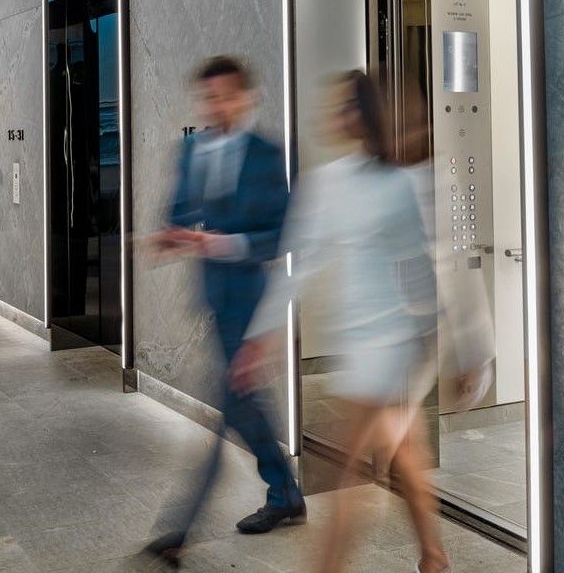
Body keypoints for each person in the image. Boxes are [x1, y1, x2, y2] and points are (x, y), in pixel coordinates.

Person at [232, 70, 449, 573]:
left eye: (345, 106)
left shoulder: (395, 183)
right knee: (403, 452)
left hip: (388, 345)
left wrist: (435, 337)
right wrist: (261, 337)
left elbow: (419, 268)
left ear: (363, 116)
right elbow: (299, 267)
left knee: (345, 473)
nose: (334, 115)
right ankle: (434, 557)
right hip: (361, 342)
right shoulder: (327, 183)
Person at [142, 57, 304, 569]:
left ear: (247, 97)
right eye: (209, 97)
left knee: (227, 407)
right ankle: (285, 492)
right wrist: (169, 238)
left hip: (252, 304)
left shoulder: (268, 155)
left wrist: (220, 244)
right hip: (215, 298)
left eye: (226, 96)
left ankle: (179, 529)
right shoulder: (191, 149)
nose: (217, 106)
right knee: (244, 406)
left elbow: (280, 236)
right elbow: (178, 213)